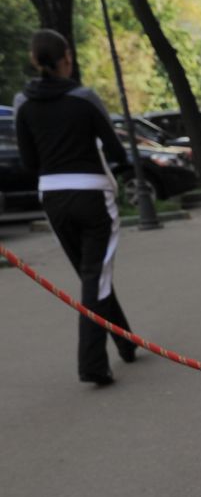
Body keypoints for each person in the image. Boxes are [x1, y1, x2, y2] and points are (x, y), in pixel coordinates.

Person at [14, 29, 136, 388]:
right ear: (65, 57)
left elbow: (28, 161)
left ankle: (126, 342)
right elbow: (116, 152)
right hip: (93, 196)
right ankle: (93, 364)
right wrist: (119, 166)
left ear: (36, 61)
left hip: (53, 198)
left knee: (91, 275)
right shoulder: (84, 98)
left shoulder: (23, 103)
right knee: (93, 277)